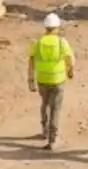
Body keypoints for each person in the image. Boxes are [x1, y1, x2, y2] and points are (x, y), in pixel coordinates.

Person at [28, 13, 75, 150]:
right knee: (55, 108)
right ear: (57, 27)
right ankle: (52, 139)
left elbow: (31, 62)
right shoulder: (61, 42)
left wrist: (30, 79)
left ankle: (44, 130)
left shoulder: (38, 43)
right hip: (58, 80)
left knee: (45, 104)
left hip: (42, 80)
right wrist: (71, 71)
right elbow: (70, 59)